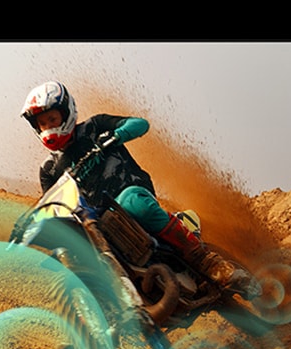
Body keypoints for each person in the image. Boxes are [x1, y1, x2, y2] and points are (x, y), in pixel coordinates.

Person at [21, 80, 253, 293]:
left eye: (52, 119)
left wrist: (116, 136)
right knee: (69, 249)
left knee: (133, 201)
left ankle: (208, 261)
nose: (48, 127)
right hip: (95, 221)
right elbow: (54, 204)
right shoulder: (49, 169)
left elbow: (140, 124)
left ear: (67, 113)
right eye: (42, 123)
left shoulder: (95, 127)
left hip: (130, 195)